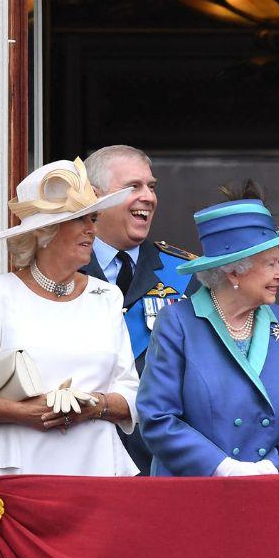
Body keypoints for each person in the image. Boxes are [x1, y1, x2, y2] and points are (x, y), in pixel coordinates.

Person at [0, 159, 141, 476]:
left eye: (92, 218)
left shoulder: (107, 296)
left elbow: (131, 395)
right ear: (45, 232)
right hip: (18, 469)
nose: (92, 230)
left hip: (98, 469)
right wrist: (24, 413)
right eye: (80, 220)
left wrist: (93, 405)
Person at [137, 182, 279, 476]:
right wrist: (223, 468)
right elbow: (157, 417)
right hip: (195, 494)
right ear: (235, 270)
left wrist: (273, 467)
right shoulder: (178, 323)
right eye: (271, 264)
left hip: (270, 491)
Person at [80, 144, 198, 474]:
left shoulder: (185, 276)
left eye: (151, 186)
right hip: (79, 456)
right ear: (94, 196)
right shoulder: (60, 272)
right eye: (133, 186)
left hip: (159, 460)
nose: (148, 196)